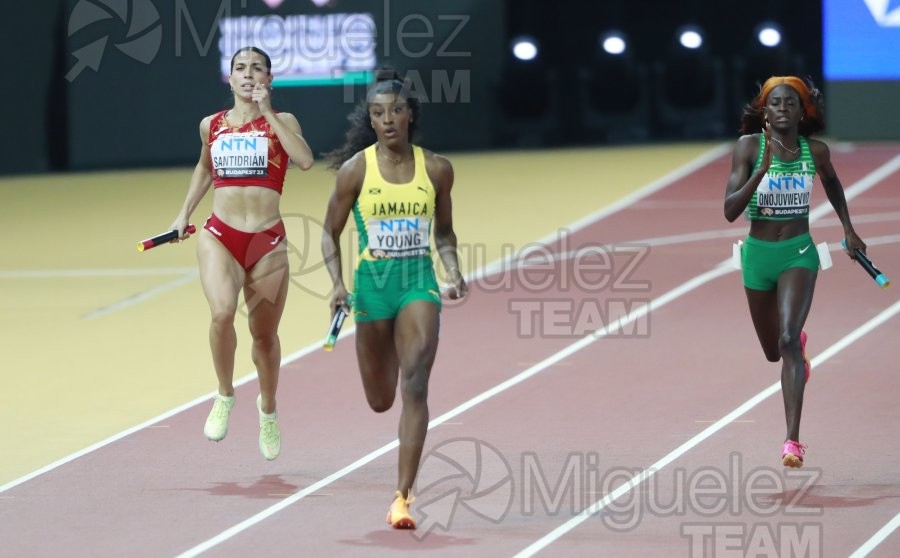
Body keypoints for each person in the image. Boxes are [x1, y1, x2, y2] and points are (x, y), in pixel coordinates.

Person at [321, 69, 468, 528]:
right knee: (381, 400)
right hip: (372, 290)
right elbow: (329, 234)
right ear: (370, 119)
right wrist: (337, 284)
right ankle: (400, 481)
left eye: (396, 111)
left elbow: (443, 232)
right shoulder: (356, 170)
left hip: (416, 283)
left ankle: (402, 498)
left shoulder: (437, 169)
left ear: (410, 115)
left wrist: (454, 268)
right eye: (378, 113)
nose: (388, 120)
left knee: (417, 384)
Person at [168, 46, 314, 461]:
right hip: (221, 235)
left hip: (266, 239)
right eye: (240, 68)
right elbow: (203, 168)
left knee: (264, 335)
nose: (248, 75)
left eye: (257, 69)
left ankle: (267, 408)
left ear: (269, 79)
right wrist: (183, 215)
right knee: (221, 313)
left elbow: (304, 160)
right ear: (228, 78)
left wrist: (266, 112)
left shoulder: (283, 122)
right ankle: (225, 394)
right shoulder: (210, 125)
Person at [724, 76, 866, 468]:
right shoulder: (748, 148)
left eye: (790, 102)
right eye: (775, 103)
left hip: (799, 253)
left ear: (802, 111)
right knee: (775, 352)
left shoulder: (815, 151)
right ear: (764, 112)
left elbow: (834, 185)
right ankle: (795, 347)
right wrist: (762, 170)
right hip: (757, 255)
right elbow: (729, 210)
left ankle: (792, 442)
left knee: (786, 338)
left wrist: (848, 230)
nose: (782, 107)